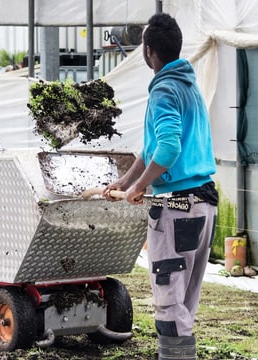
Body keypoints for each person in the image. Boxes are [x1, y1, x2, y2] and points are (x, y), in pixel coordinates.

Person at [103, 13, 218, 360]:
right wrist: (126, 180)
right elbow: (153, 148)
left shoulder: (164, 90)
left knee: (169, 301)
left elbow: (168, 150)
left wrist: (140, 186)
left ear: (148, 51)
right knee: (185, 299)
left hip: (177, 206)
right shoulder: (187, 86)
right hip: (204, 203)